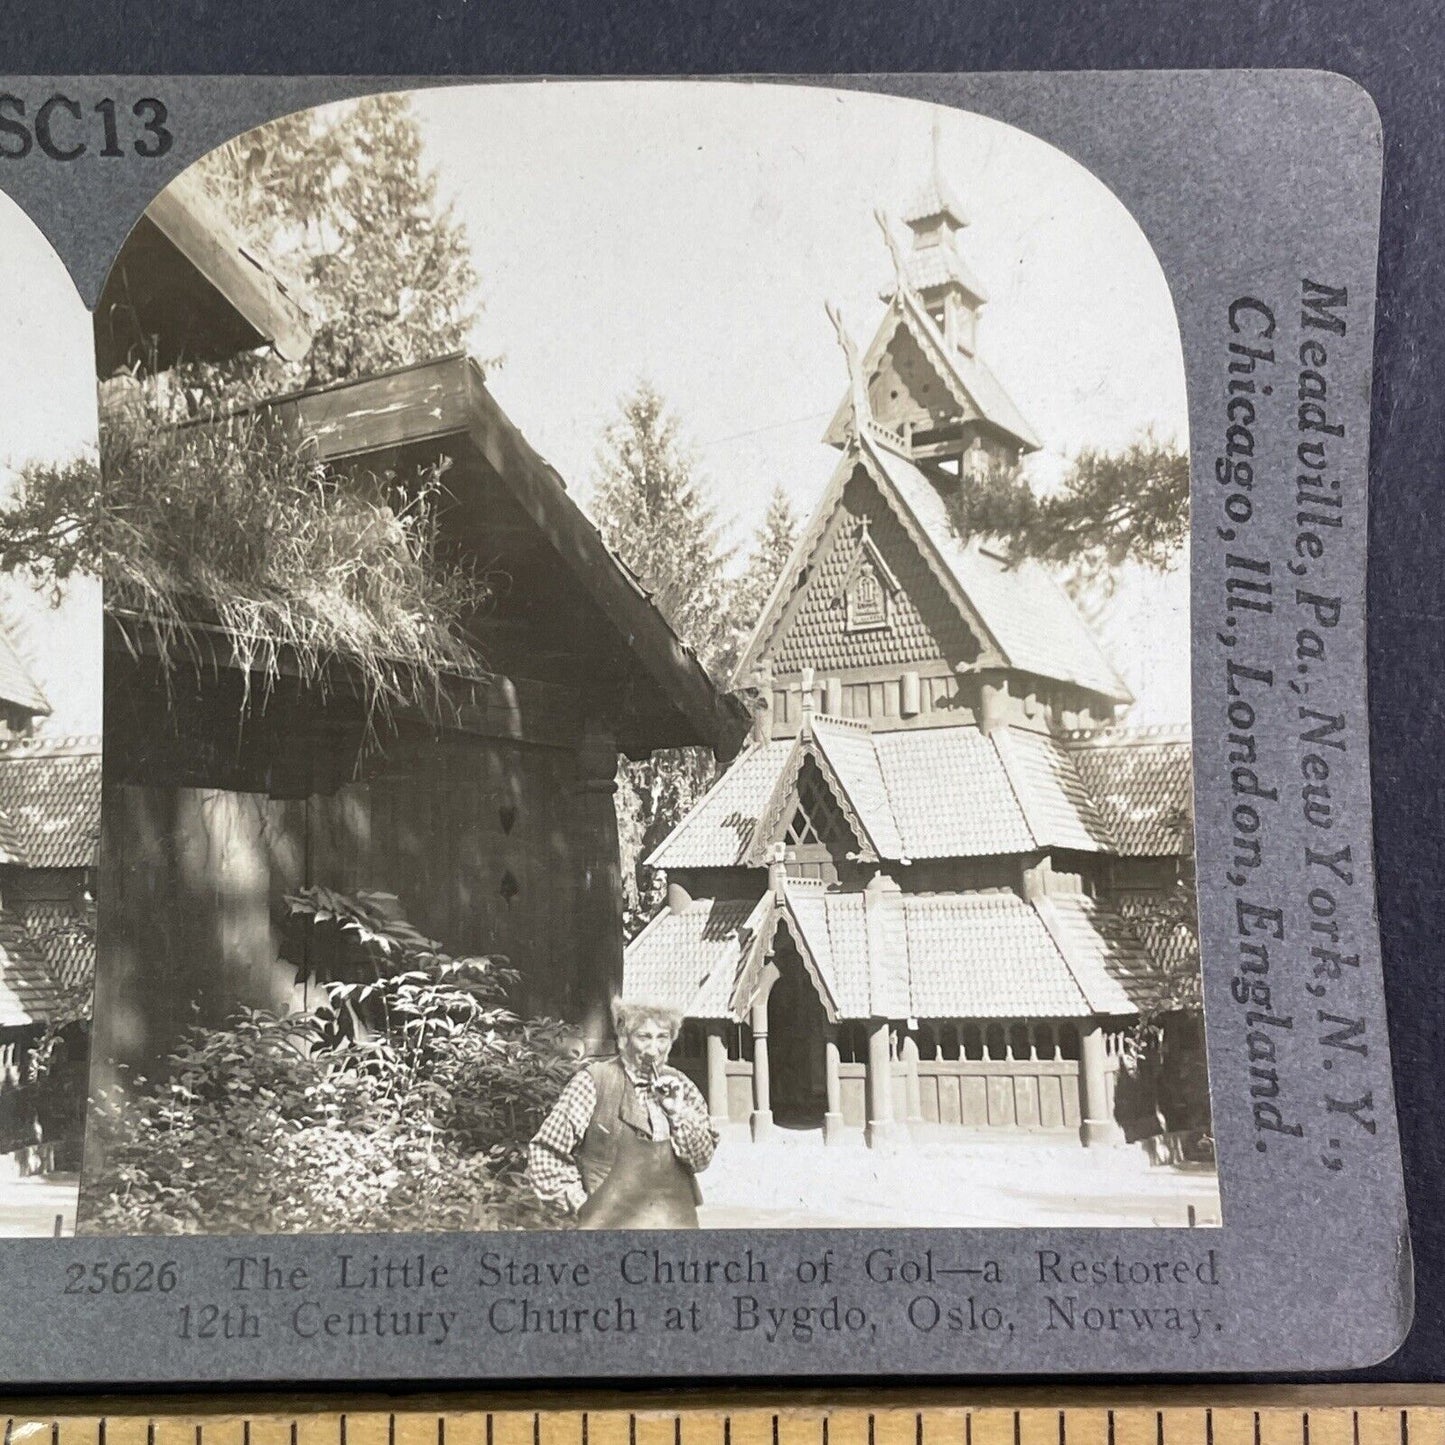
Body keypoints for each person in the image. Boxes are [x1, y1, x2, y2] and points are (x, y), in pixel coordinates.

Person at [528, 999, 719, 1228]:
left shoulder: (682, 1087)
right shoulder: (593, 1081)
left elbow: (701, 1161)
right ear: (624, 1038)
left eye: (662, 1037)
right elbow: (545, 1153)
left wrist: (677, 1114)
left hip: (674, 1228)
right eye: (644, 1037)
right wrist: (582, 1205)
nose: (654, 1049)